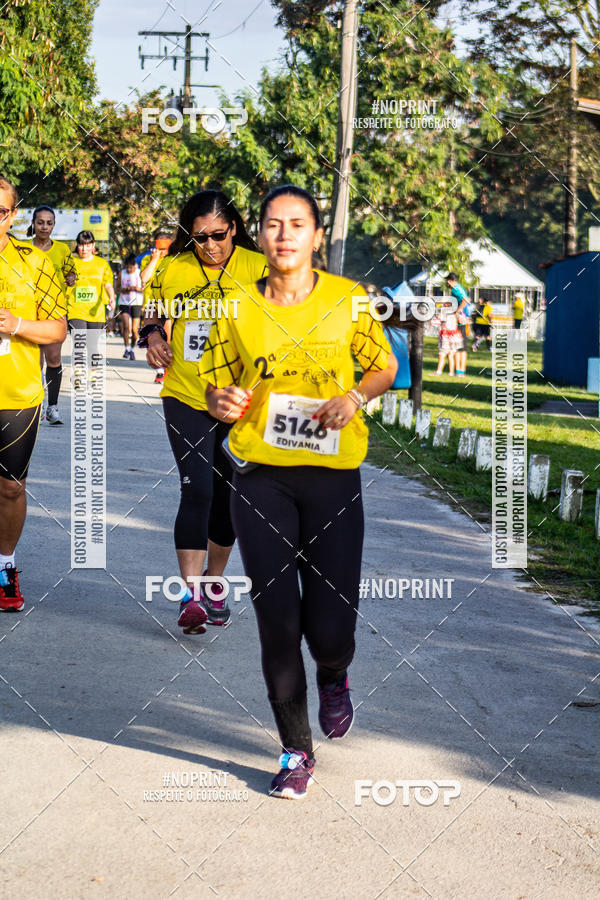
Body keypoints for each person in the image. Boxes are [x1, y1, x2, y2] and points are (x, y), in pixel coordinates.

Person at [201, 185, 397, 799]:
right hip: (261, 476)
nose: (283, 234)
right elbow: (214, 387)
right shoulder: (235, 305)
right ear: (259, 237)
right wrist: (223, 401)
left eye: (296, 224)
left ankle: (335, 673)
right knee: (276, 619)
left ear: (316, 236)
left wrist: (355, 396)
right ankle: (294, 749)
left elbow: (383, 367)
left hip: (334, 476)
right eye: (272, 225)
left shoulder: (348, 300)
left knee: (330, 627)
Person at [141, 190, 267, 635]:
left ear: (234, 228)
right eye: (199, 238)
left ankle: (214, 583)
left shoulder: (259, 266)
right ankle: (191, 597)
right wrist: (154, 336)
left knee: (229, 496)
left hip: (243, 399)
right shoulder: (173, 269)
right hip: (186, 393)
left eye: (218, 235)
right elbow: (151, 313)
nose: (210, 245)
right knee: (196, 489)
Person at [0, 177, 67, 610]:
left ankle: (5, 566)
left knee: (9, 488)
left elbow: (58, 328)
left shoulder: (34, 263)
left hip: (17, 394)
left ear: (12, 214)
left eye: (1, 212)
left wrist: (17, 325)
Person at [27, 205, 77, 424]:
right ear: (33, 223)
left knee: (54, 358)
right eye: (40, 222)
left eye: (49, 223)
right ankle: (33, 406)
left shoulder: (63, 250)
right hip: (29, 312)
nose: (44, 227)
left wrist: (71, 278)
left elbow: (72, 272)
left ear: (54, 225)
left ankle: (53, 407)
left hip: (55, 311)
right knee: (33, 362)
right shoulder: (23, 249)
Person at [140, 231, 173, 384]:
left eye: (165, 246)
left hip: (170, 305)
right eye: (159, 246)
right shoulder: (148, 259)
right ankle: (160, 370)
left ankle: (167, 368)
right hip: (151, 305)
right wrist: (154, 260)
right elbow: (144, 278)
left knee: (168, 337)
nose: (162, 250)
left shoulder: (175, 260)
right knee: (152, 337)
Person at [68, 231, 115, 332]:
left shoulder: (102, 264)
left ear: (93, 245)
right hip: (76, 311)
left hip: (96, 313)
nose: (84, 249)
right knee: (79, 346)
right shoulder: (71, 263)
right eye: (81, 245)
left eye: (88, 245)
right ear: (77, 245)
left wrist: (111, 296)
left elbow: (107, 284)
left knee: (93, 347)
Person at [117, 254, 144, 359]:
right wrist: (124, 289)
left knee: (134, 330)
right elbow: (117, 288)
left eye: (131, 267)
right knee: (126, 327)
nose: (129, 269)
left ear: (135, 266)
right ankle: (127, 348)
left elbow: (146, 288)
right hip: (124, 302)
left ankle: (132, 349)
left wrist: (137, 288)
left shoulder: (140, 273)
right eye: (127, 267)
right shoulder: (122, 274)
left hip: (136, 303)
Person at [446, 272, 470, 377]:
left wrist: (458, 311)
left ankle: (461, 370)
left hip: (461, 319)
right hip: (461, 319)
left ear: (449, 281)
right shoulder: (458, 288)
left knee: (460, 346)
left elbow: (466, 300)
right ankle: (460, 370)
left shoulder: (455, 289)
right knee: (460, 345)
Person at [432, 300, 462, 376]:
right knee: (451, 354)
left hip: (446, 335)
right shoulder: (456, 313)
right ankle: (451, 372)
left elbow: (436, 322)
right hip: (454, 335)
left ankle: (439, 371)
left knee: (442, 353)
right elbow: (462, 321)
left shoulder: (444, 313)